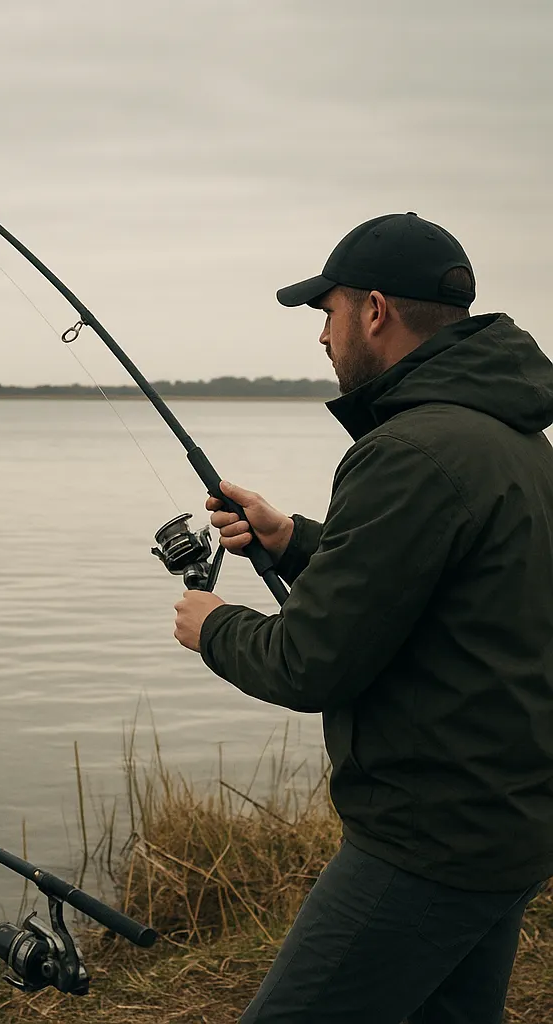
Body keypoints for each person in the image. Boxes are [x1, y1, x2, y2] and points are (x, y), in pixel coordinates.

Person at [171, 212, 553, 1023]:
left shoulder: (408, 452)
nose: (321, 336)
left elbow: (310, 661)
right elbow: (439, 591)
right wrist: (290, 537)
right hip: (508, 822)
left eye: (327, 312)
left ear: (374, 310)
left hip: (428, 842)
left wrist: (212, 626)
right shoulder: (512, 440)